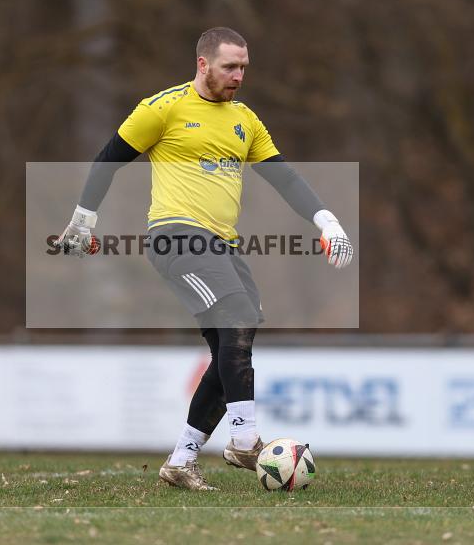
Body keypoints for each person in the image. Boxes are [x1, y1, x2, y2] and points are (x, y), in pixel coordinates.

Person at [57, 27, 353, 491]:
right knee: (237, 317)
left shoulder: (245, 120)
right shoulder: (163, 108)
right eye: (229, 67)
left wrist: (326, 219)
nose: (238, 76)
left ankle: (181, 459)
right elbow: (108, 158)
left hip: (225, 245)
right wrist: (82, 220)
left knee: (230, 348)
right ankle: (244, 439)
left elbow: (285, 178)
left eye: (243, 68)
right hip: (176, 238)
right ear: (202, 64)